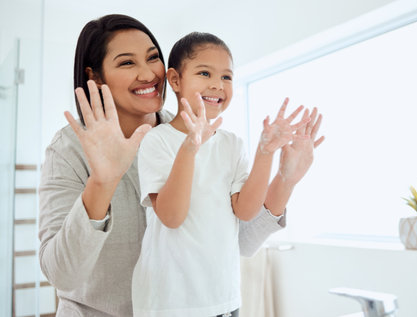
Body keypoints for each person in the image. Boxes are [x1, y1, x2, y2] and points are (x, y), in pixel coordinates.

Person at [38, 14, 324, 317]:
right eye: (127, 63)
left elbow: (238, 240)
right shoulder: (69, 149)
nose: (149, 74)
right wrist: (103, 181)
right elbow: (62, 274)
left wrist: (285, 179)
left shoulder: (201, 135)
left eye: (152, 58)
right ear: (95, 77)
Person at [132, 32, 318, 317]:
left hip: (223, 299)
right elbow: (172, 217)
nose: (218, 85)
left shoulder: (232, 144)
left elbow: (245, 211)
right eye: (205, 72)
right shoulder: (157, 141)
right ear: (176, 80)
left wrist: (265, 153)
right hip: (168, 302)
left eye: (227, 77)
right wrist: (189, 149)